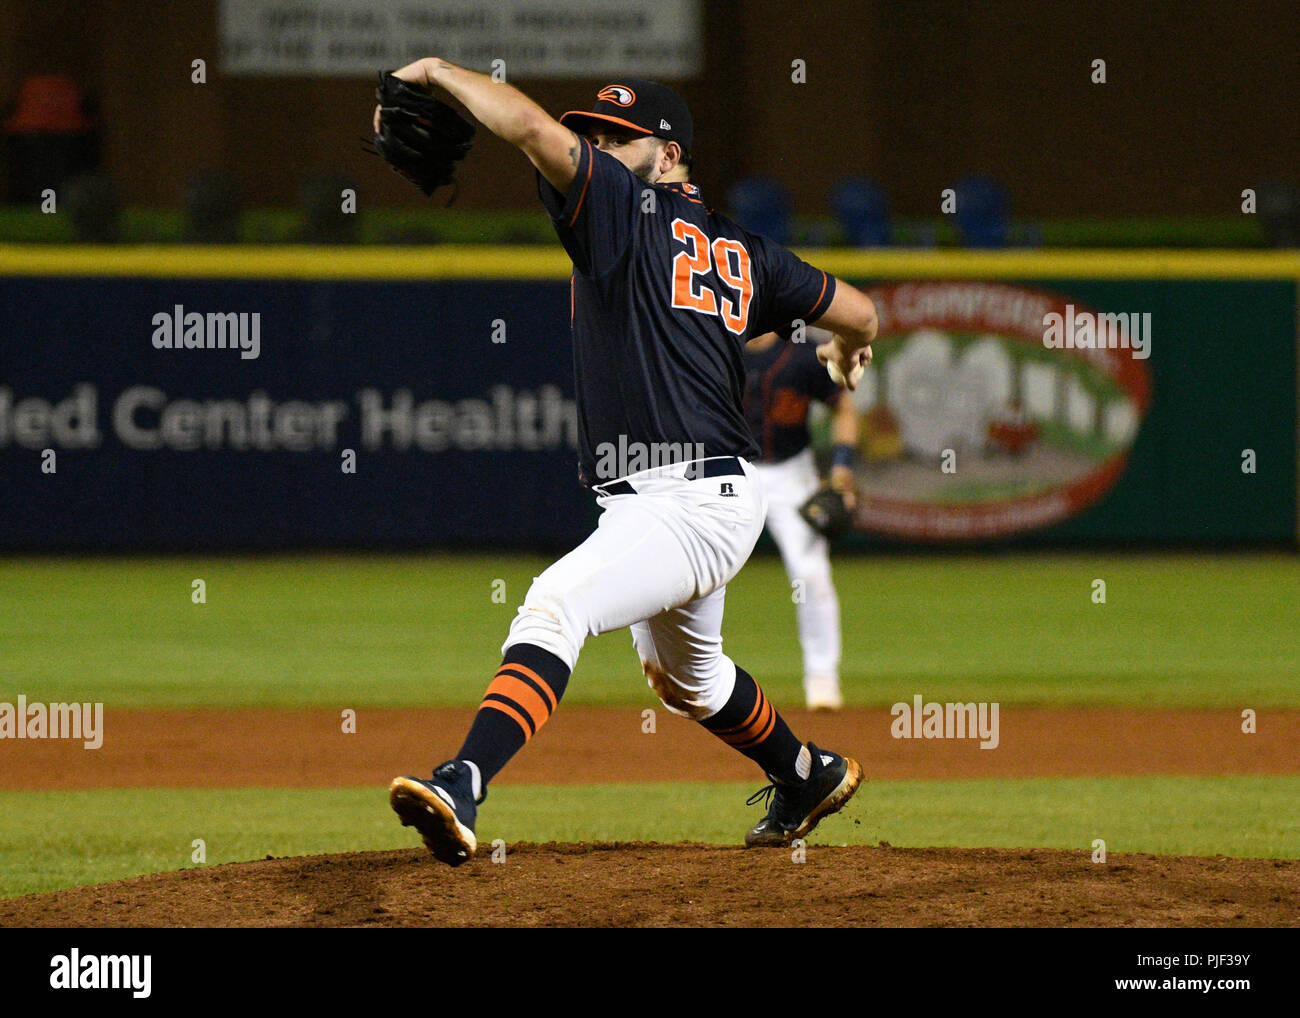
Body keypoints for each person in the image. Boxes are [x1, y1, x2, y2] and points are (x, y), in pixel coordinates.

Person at [379, 60, 878, 866]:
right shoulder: (745, 252)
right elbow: (860, 309)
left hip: (689, 500)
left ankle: (463, 777)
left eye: (621, 136)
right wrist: (851, 348)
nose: (598, 147)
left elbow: (534, 131)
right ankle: (805, 773)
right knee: (690, 681)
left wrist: (437, 70)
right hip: (689, 496)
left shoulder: (617, 202)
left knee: (553, 606)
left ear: (670, 158)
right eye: (596, 134)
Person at [744, 325, 858, 710]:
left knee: (811, 575)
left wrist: (842, 467)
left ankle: (823, 679)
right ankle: (687, 680)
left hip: (792, 474)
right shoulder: (713, 346)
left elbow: (843, 406)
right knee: (698, 577)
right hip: (728, 471)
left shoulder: (804, 354)